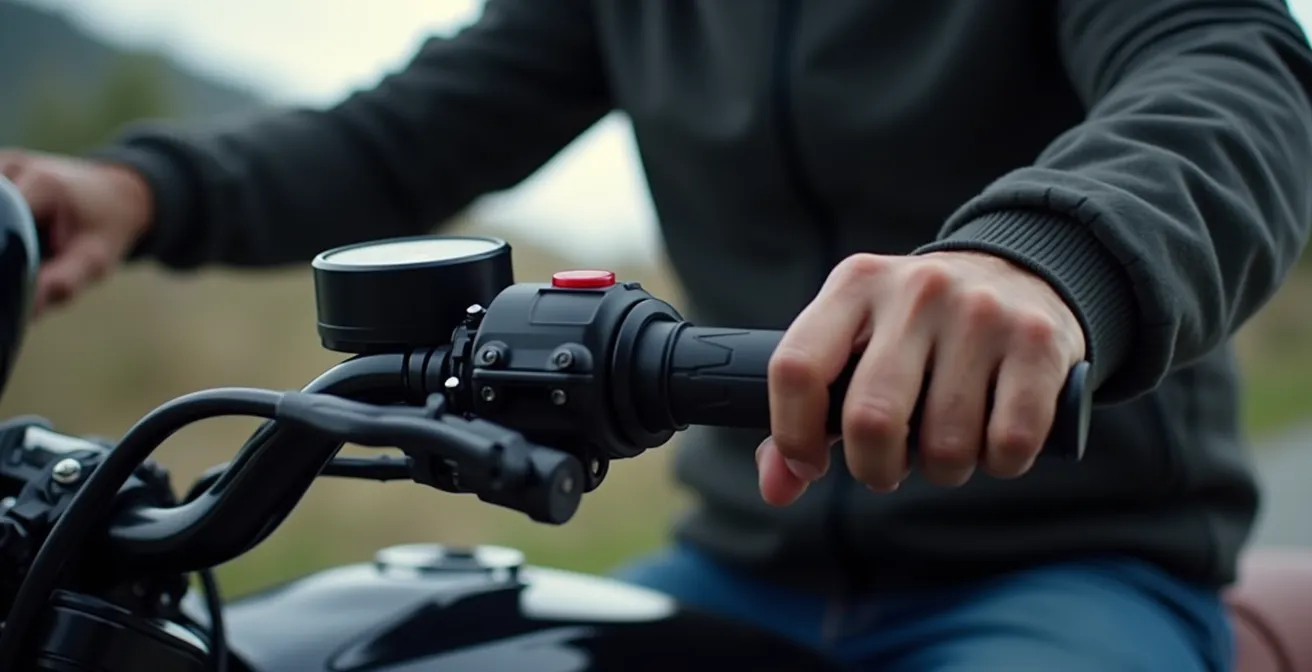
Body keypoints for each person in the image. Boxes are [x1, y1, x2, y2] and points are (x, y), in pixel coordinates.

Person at [3, 1, 1312, 668]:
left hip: (1067, 557)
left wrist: (1046, 259)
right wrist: (137, 190)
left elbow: (1231, 73)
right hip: (741, 553)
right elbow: (403, 133)